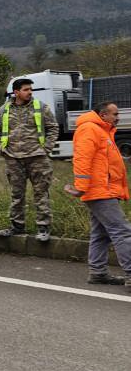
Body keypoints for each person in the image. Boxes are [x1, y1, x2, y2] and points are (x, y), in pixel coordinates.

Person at [66, 102, 131, 291]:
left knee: (101, 233)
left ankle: (98, 273)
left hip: (103, 188)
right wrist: (81, 186)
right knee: (122, 231)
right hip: (99, 190)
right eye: (115, 114)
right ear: (103, 115)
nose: (118, 117)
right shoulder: (90, 129)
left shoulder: (102, 130)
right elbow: (82, 159)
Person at [0, 78, 59, 241]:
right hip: (13, 159)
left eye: (31, 89)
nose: (30, 92)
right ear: (16, 92)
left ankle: (43, 228)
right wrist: (1, 148)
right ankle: (17, 226)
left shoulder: (40, 107)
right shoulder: (5, 109)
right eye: (26, 89)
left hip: (37, 158)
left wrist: (46, 149)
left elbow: (53, 128)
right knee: (17, 194)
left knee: (41, 193)